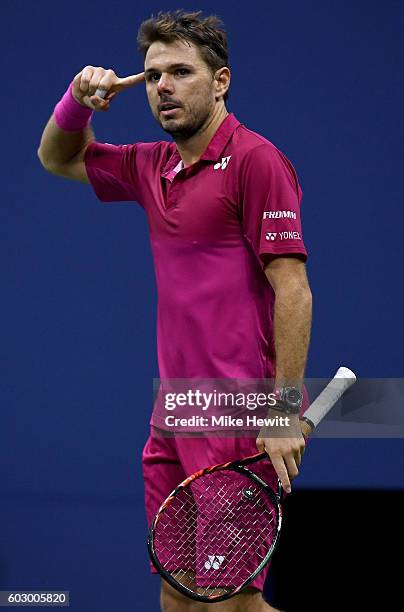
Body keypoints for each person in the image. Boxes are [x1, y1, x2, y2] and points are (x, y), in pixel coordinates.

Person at [38, 10, 312, 612]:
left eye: (181, 72)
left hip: (237, 415)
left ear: (221, 81)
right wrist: (77, 100)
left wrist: (283, 413)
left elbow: (293, 290)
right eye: (153, 75)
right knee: (178, 594)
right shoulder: (150, 165)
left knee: (227, 602)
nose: (163, 86)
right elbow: (57, 157)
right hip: (175, 413)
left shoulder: (255, 161)